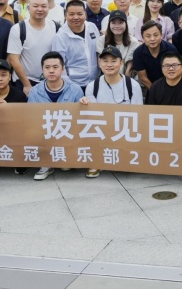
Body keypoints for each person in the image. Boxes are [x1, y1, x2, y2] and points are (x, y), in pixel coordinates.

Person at [82, 47, 143, 178]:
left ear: (121, 63)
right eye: (105, 61)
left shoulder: (133, 85)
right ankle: (97, 160)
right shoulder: (92, 86)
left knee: (126, 167)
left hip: (125, 131)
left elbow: (137, 116)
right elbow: (94, 117)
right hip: (102, 131)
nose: (109, 65)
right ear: (99, 63)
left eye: (113, 61)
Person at [28, 52, 85, 180]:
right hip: (44, 132)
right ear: (42, 69)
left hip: (66, 131)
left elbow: (80, 119)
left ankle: (64, 156)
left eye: (55, 67)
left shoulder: (75, 89)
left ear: (62, 69)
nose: (51, 71)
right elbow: (31, 118)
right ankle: (46, 163)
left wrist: (84, 104)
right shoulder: (35, 91)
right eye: (47, 67)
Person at [6, 0, 59, 91]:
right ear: (28, 8)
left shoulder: (56, 27)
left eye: (44, 6)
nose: (40, 9)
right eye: (35, 6)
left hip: (49, 80)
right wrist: (26, 84)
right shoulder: (18, 29)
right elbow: (13, 59)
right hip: (23, 80)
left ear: (48, 8)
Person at [51, 0, 101, 86]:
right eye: (71, 14)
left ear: (85, 14)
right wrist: (69, 86)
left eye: (80, 14)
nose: (76, 17)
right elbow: (58, 64)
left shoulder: (92, 27)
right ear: (65, 15)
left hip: (95, 82)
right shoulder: (60, 37)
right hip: (74, 84)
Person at [133, 21, 178, 90]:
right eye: (148, 36)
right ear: (143, 38)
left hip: (171, 84)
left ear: (161, 35)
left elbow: (177, 71)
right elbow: (142, 78)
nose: (152, 39)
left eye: (156, 35)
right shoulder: (138, 53)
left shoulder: (171, 49)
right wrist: (156, 92)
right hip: (150, 87)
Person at [95, 10, 139, 74]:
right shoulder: (101, 40)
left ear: (126, 24)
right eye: (113, 23)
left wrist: (125, 79)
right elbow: (101, 62)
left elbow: (129, 66)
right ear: (109, 24)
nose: (117, 26)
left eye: (120, 23)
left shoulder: (133, 42)